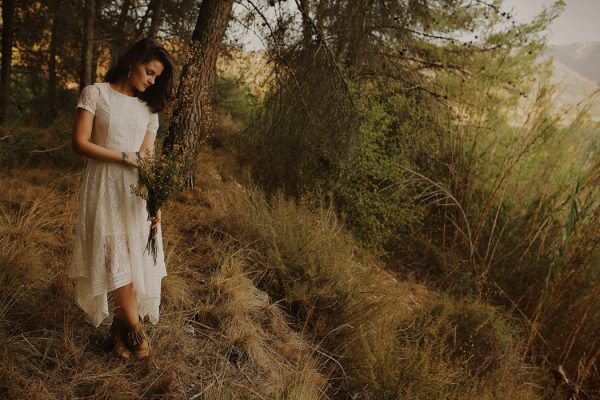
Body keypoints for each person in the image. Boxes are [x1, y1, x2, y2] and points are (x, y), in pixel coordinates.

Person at [69, 37, 176, 360]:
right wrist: (123, 156)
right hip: (103, 186)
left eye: (156, 76)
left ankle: (118, 334)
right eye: (148, 71)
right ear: (132, 63)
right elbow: (79, 143)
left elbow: (148, 161)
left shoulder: (148, 110)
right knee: (114, 255)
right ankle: (137, 331)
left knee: (131, 258)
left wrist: (156, 206)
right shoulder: (96, 93)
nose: (151, 80)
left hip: (135, 193)